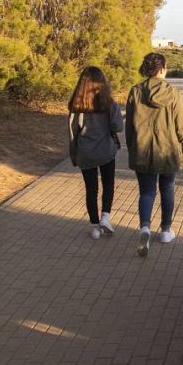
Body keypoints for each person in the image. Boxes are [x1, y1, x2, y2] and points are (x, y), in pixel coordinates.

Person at [125, 51, 183, 257]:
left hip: (142, 149)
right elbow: (181, 125)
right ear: (162, 69)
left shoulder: (135, 92)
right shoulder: (173, 93)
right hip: (168, 149)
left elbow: (129, 125)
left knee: (146, 192)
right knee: (167, 189)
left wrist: (131, 147)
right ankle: (165, 230)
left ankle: (145, 227)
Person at [67, 66, 123, 239]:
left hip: (85, 153)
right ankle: (106, 216)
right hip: (106, 151)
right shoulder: (109, 104)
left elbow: (72, 131)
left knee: (91, 189)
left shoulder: (77, 106)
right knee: (108, 184)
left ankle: (94, 226)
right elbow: (118, 127)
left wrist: (74, 155)